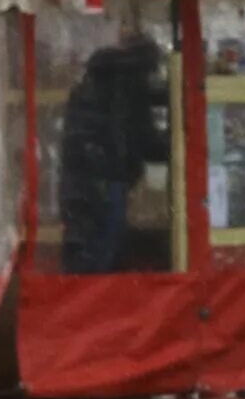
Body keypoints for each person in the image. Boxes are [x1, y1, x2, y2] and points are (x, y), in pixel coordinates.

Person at [60, 35, 169, 274]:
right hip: (108, 175)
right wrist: (175, 146)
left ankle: (79, 299)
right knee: (105, 244)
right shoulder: (130, 85)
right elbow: (144, 137)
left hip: (78, 174)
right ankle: (93, 304)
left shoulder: (95, 81)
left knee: (87, 242)